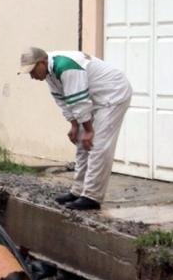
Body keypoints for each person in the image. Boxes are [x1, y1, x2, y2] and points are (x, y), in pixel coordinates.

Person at [19, 47, 132, 211]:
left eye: (32, 71)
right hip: (93, 98)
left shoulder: (65, 66)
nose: (31, 76)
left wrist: (88, 130)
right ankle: (78, 191)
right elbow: (64, 101)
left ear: (42, 62)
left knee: (97, 145)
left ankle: (92, 197)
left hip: (113, 94)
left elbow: (78, 99)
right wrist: (74, 125)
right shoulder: (49, 74)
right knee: (81, 142)